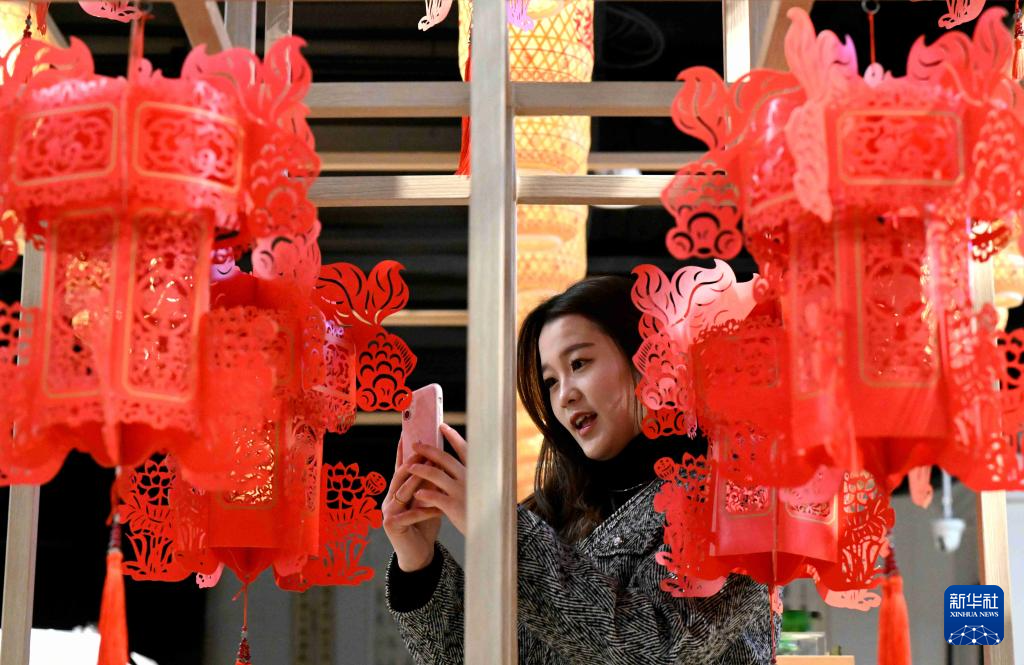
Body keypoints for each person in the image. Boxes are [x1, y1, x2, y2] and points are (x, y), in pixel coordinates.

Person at [381, 275, 777, 664]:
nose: (564, 395)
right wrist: (418, 563)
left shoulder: (734, 498)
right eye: (551, 381)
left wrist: (498, 525)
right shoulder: (548, 514)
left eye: (579, 363)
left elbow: (663, 648)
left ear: (647, 360)